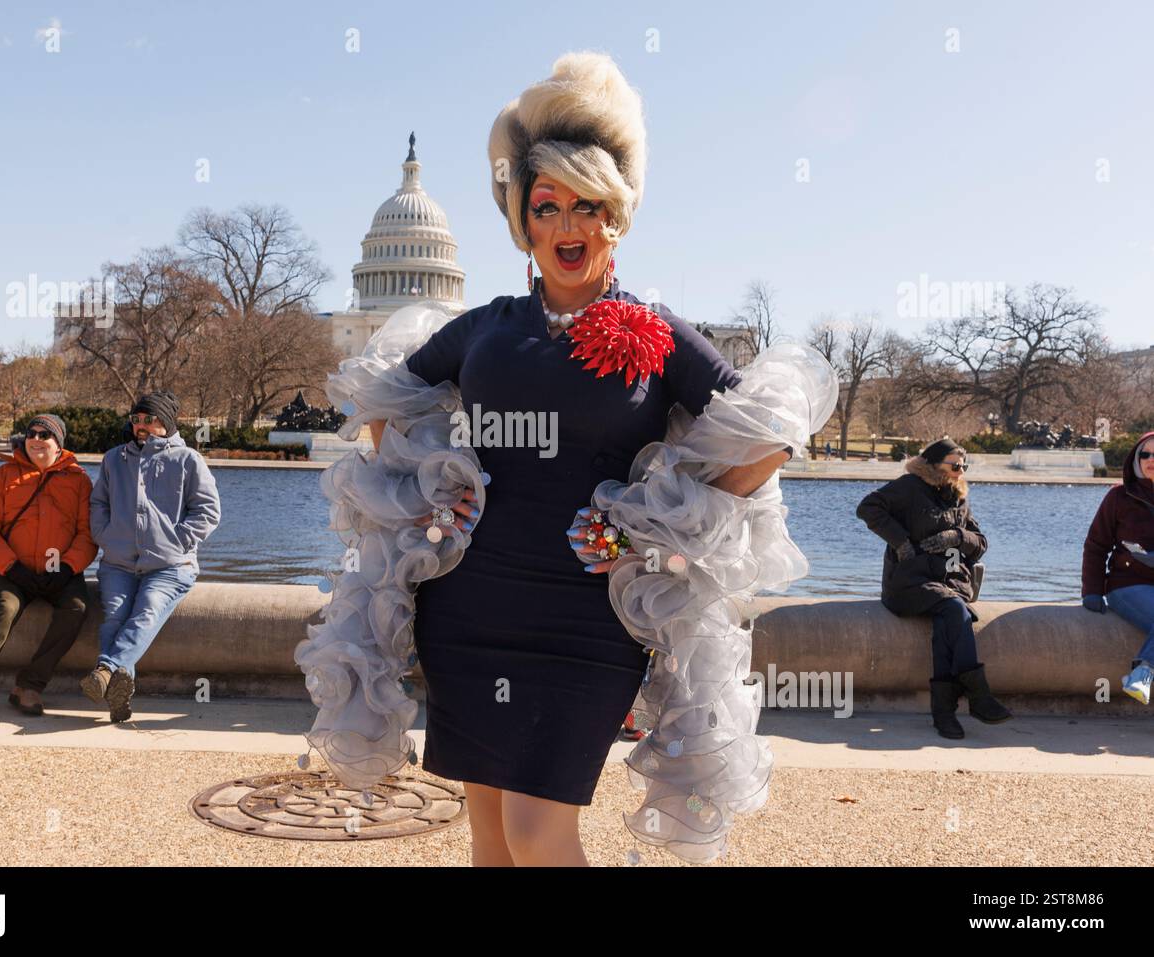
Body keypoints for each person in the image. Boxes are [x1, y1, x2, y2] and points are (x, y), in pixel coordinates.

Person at [297, 53, 836, 866]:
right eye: (547, 205)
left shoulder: (656, 332)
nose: (567, 226)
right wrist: (432, 493)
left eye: (588, 206)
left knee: (537, 832)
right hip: (470, 609)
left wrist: (648, 531)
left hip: (587, 620)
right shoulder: (484, 327)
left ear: (614, 218)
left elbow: (771, 433)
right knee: (490, 838)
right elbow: (378, 400)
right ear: (524, 218)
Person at [856, 438, 1012, 739]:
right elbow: (867, 508)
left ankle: (944, 714)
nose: (960, 471)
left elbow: (981, 544)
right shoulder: (909, 487)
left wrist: (956, 536)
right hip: (908, 582)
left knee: (948, 621)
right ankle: (978, 696)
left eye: (963, 466)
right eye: (955, 465)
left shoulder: (959, 496)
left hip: (949, 582)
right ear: (934, 465)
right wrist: (900, 542)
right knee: (953, 610)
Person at [84, 391, 220, 722]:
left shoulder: (188, 460)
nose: (141, 426)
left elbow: (208, 511)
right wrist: (106, 536)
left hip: (171, 566)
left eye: (149, 420)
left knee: (147, 611)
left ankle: (107, 669)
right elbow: (98, 503)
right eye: (136, 420)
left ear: (167, 423)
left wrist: (178, 541)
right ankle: (118, 687)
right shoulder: (114, 458)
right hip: (119, 562)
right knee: (115, 617)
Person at [0, 413, 96, 715]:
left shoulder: (79, 480)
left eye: (45, 435)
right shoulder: (2, 476)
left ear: (58, 444)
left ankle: (30, 686)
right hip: (14, 571)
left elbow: (88, 533)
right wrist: (12, 568)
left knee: (77, 608)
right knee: (5, 608)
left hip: (61, 573)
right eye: (31, 433)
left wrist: (67, 567)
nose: (36, 440)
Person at [1080, 430, 1154, 704]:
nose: (1151, 460)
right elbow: (1096, 546)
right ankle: (1141, 675)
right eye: (1145, 454)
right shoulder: (1119, 497)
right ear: (1136, 459)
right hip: (1128, 585)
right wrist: (1092, 591)